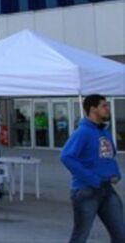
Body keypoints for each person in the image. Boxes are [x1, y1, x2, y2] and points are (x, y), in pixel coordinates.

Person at [61, 94, 125, 243]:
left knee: (120, 235)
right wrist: (92, 178)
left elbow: (110, 156)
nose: (107, 109)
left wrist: (116, 173)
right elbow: (66, 156)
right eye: (104, 106)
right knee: (80, 236)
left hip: (107, 189)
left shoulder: (104, 131)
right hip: (86, 191)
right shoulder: (82, 132)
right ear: (92, 109)